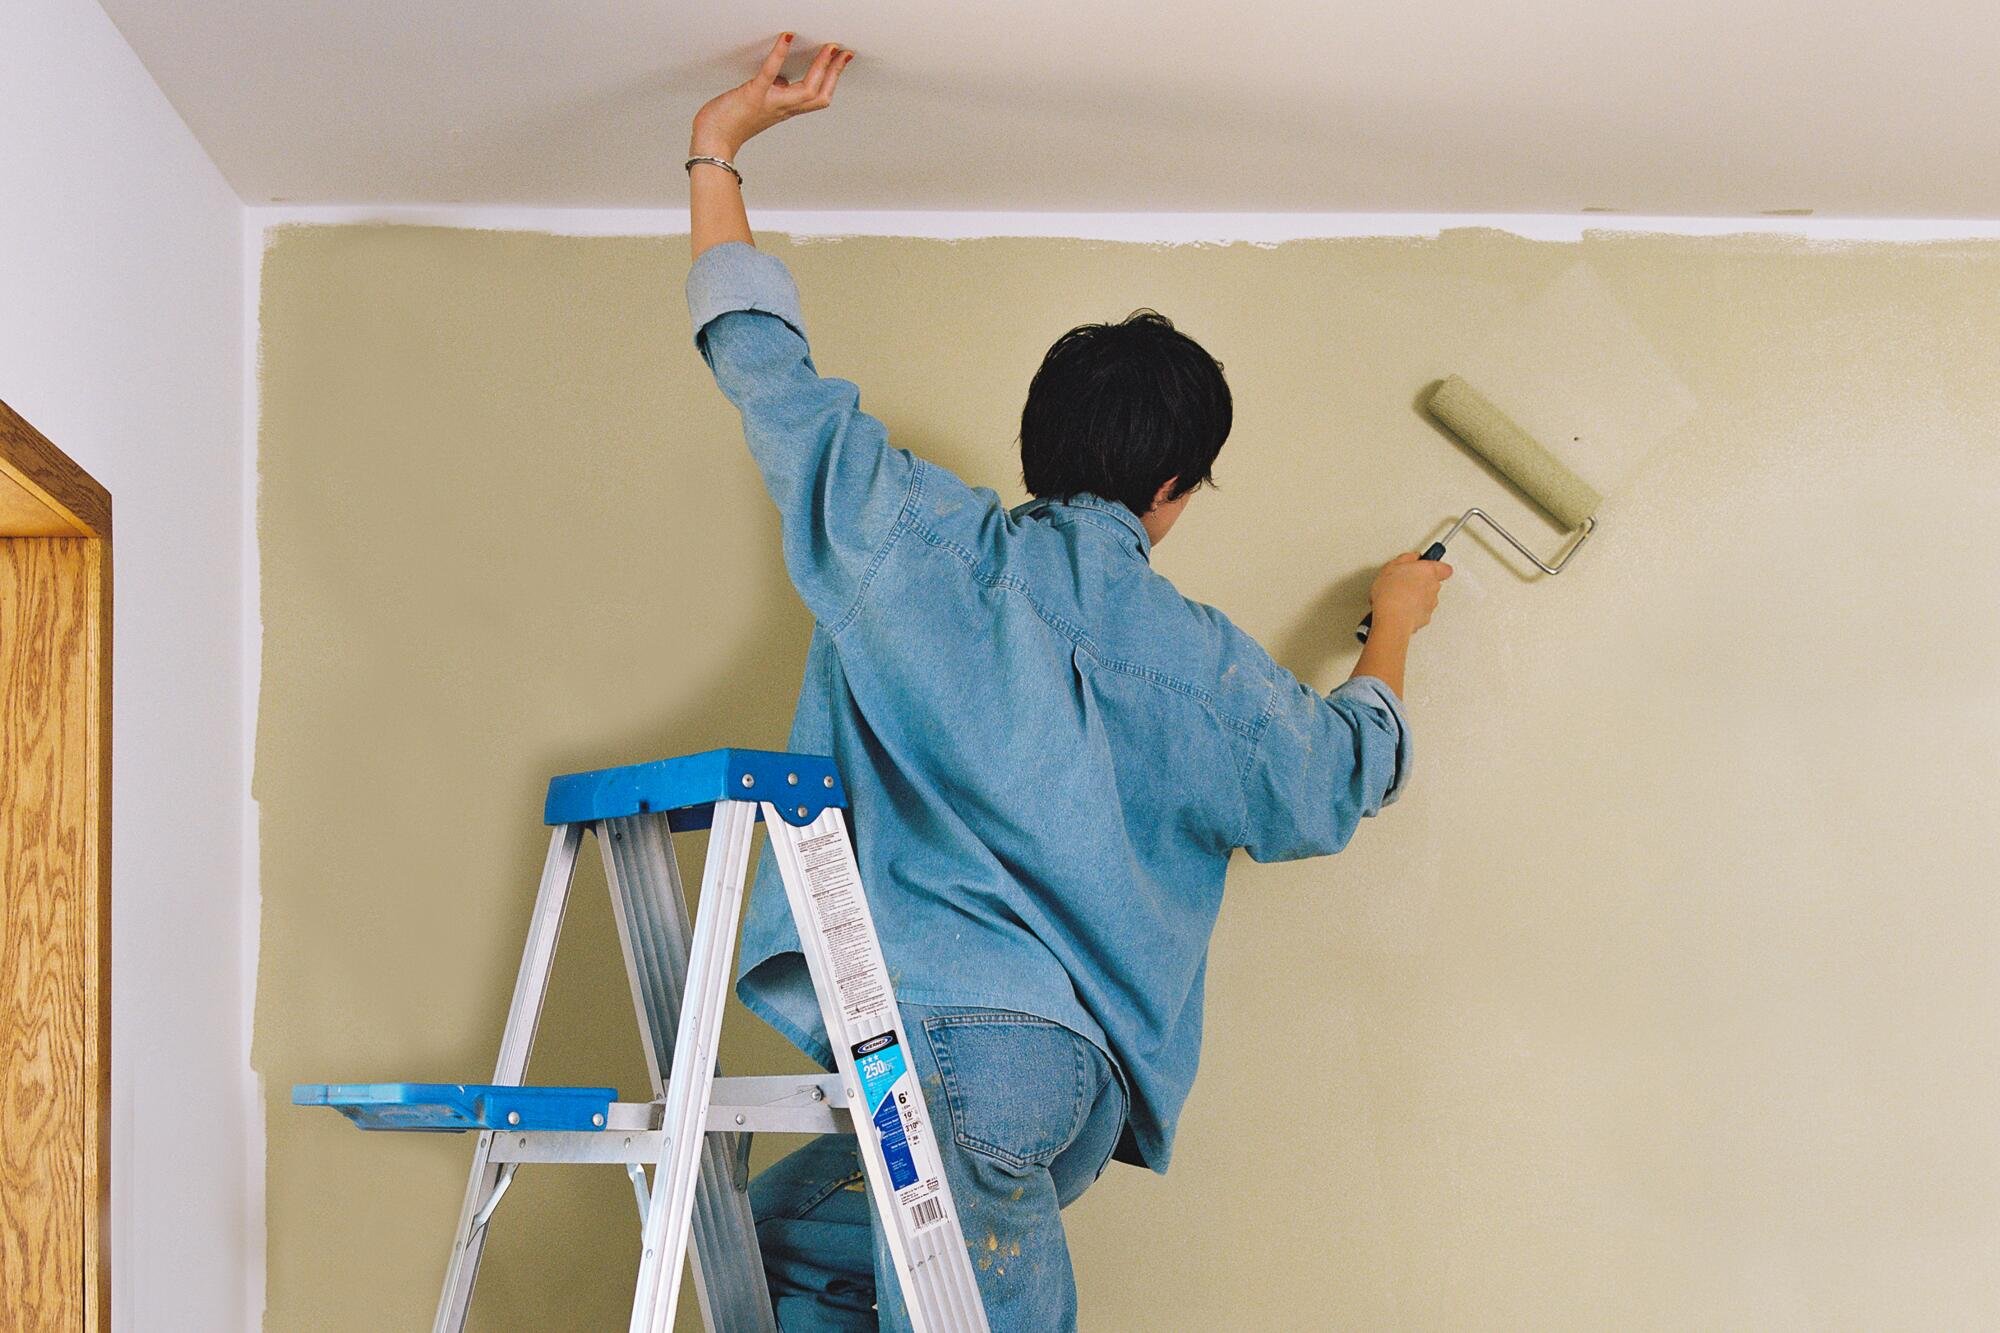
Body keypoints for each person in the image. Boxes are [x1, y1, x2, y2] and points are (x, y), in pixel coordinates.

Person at [683, 34, 1451, 1332]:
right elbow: (1333, 780)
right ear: (1174, 491)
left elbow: (771, 374)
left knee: (821, 1258)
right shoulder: (1201, 660)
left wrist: (720, 144)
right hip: (1031, 1081)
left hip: (912, 1051)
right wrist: (1395, 629)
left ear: (1043, 446)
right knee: (778, 1248)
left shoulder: (910, 539)